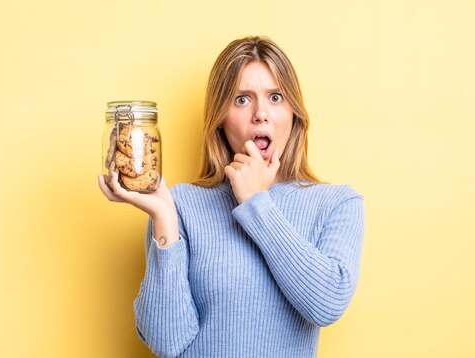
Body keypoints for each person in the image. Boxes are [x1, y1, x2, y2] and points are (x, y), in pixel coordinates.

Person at [98, 35, 364, 358]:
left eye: (276, 97)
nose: (261, 114)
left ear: (294, 113)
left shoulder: (337, 204)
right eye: (242, 99)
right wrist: (164, 218)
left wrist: (257, 203)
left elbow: (327, 303)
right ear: (220, 119)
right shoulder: (180, 205)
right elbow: (166, 341)